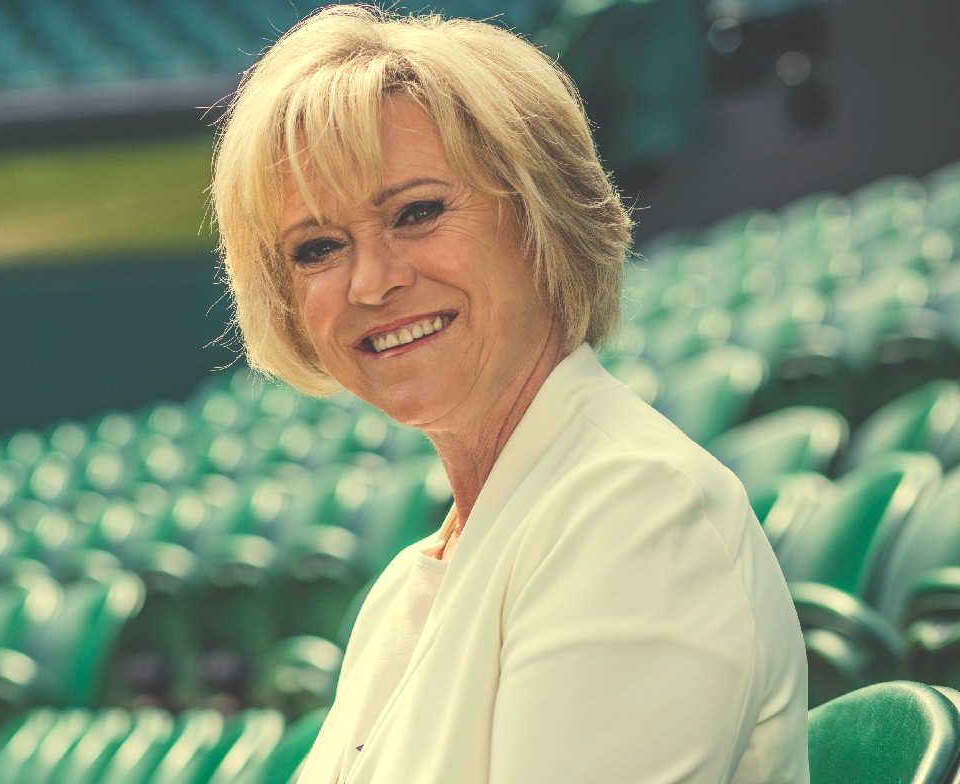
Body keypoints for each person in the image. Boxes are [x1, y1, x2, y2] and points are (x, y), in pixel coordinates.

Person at [209, 6, 809, 783]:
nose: (372, 280)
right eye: (318, 248)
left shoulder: (635, 510)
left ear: (542, 217)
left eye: (417, 212)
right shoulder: (404, 588)